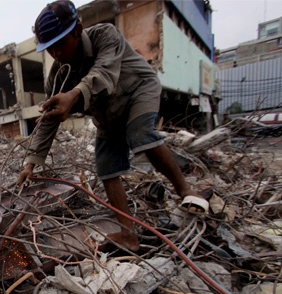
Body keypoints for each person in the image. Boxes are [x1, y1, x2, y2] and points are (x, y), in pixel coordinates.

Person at [17, 0, 208, 252]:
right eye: (50, 48)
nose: (57, 54)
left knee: (140, 133)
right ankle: (129, 234)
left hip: (138, 91)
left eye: (60, 44)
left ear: (78, 30)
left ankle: (185, 190)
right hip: (108, 112)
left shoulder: (105, 36)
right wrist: (30, 163)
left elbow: (104, 74)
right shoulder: (58, 75)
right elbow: (48, 120)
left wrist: (74, 95)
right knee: (106, 165)